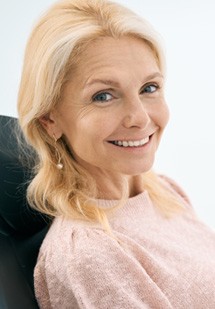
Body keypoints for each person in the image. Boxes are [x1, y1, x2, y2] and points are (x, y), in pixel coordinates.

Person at [17, 0, 215, 308]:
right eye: (103, 96)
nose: (139, 117)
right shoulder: (89, 254)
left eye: (149, 88)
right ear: (50, 119)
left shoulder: (163, 191)